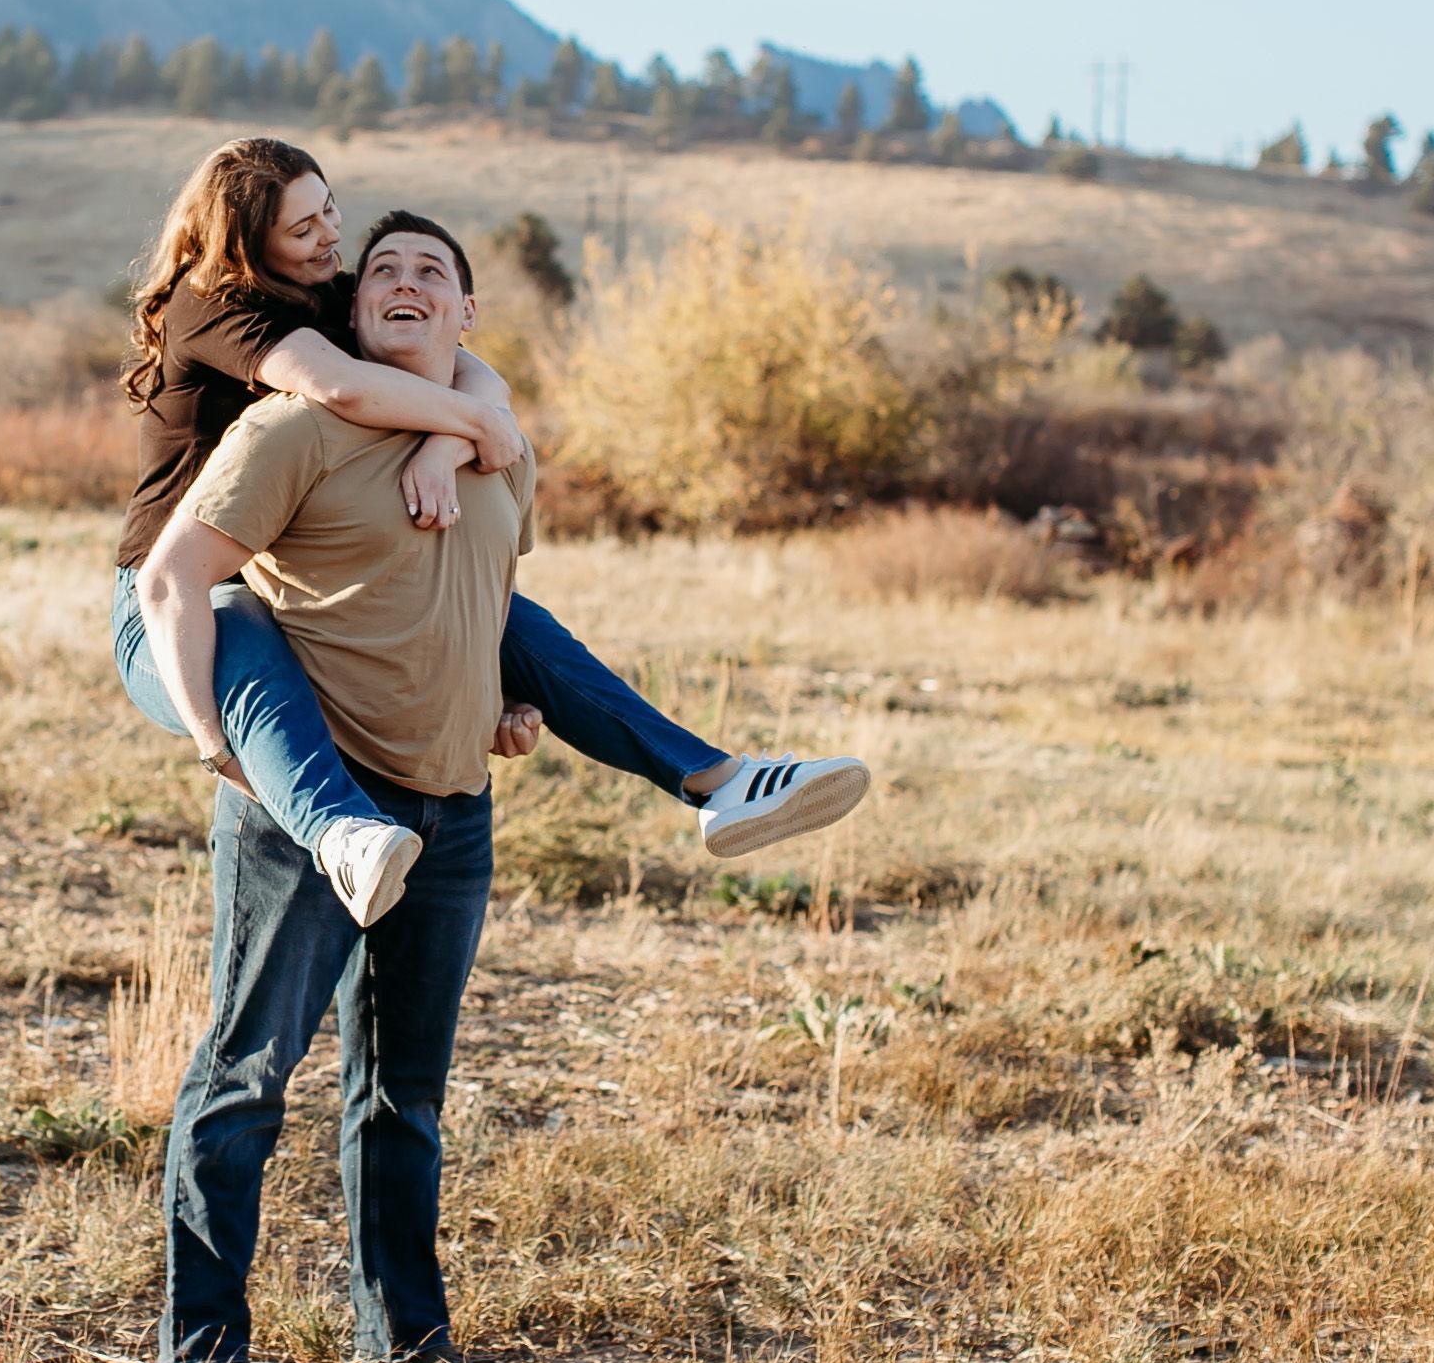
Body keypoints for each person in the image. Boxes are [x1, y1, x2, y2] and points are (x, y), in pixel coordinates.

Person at [111, 135, 867, 933]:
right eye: (302, 230)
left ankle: (720, 782)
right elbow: (339, 385)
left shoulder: (327, 292)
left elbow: (480, 378)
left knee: (511, 621)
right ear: (247, 242)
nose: (331, 236)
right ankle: (340, 831)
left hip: (295, 579)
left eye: (329, 208)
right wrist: (213, 745)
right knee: (244, 632)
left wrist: (447, 447)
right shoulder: (216, 303)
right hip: (173, 598)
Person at [136, 213, 549, 1363]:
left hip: (453, 811)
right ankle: (198, 1353)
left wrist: (508, 699)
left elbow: (491, 594)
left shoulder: (501, 449)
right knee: (249, 1072)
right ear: (355, 314)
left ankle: (408, 1346)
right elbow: (179, 577)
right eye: (385, 273)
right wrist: (220, 737)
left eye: (436, 273)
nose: (409, 283)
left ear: (467, 318)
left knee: (403, 1094)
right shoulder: (291, 428)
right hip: (310, 809)